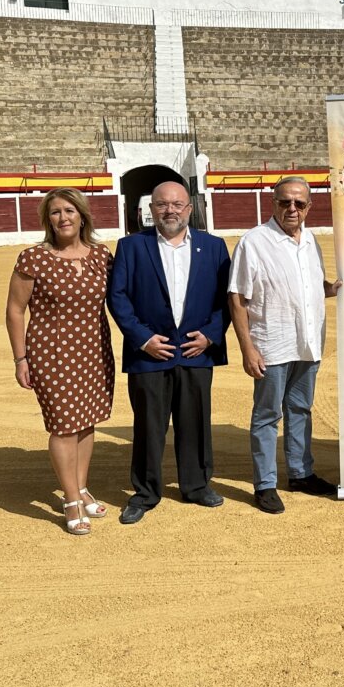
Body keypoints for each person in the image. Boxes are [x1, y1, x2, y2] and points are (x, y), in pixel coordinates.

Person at [107, 181, 230, 524]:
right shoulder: (131, 246)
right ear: (151, 209)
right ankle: (145, 492)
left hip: (195, 351)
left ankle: (196, 485)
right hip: (150, 353)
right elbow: (117, 297)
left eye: (177, 204)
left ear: (189, 208)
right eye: (162, 205)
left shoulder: (214, 247)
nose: (170, 210)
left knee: (195, 422)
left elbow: (228, 300)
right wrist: (143, 338)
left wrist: (209, 335)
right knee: (148, 425)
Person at [5, 188, 115, 536]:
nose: (63, 218)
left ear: (83, 215)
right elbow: (15, 310)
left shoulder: (102, 255)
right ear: (47, 220)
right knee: (64, 425)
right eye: (55, 212)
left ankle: (81, 488)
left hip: (95, 350)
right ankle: (70, 500)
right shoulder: (34, 258)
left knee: (86, 422)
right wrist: (20, 358)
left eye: (70, 210)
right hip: (51, 353)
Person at [228, 177, 341, 514]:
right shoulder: (254, 241)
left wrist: (331, 290)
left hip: (307, 342)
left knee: (300, 410)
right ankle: (264, 483)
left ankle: (301, 473)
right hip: (271, 344)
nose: (292, 208)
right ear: (272, 203)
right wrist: (247, 348)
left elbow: (309, 285)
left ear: (310, 206)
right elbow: (237, 298)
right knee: (266, 415)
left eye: (299, 203)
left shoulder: (311, 241)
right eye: (285, 202)